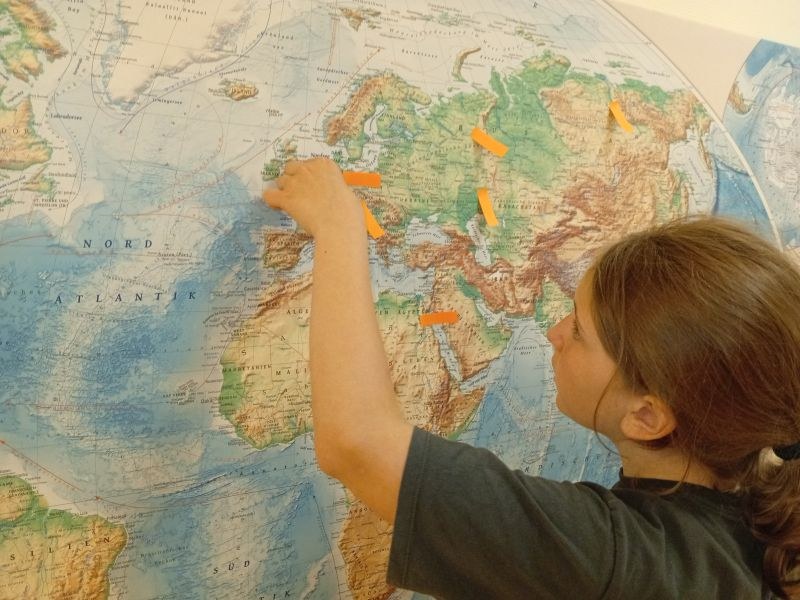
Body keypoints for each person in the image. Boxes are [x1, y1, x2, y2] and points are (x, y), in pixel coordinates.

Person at [263, 157, 800, 599]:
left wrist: (338, 224)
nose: (554, 333)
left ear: (646, 416)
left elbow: (356, 441)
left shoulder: (612, 560)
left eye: (579, 330)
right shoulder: (751, 522)